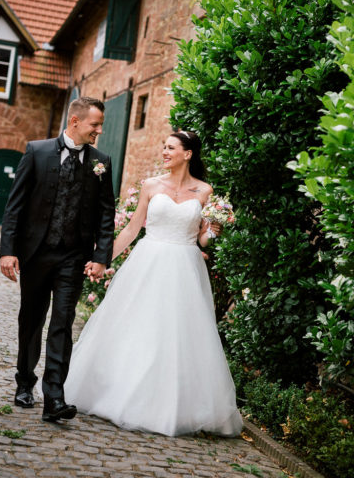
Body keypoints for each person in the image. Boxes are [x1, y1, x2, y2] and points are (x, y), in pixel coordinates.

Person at [63, 130, 244, 437]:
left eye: (170, 147)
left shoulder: (204, 191)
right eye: (163, 147)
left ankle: (169, 406)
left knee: (177, 336)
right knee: (137, 328)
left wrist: (212, 231)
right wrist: (103, 260)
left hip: (185, 268)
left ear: (187, 154)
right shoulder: (150, 185)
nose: (164, 151)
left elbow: (201, 237)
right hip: (148, 263)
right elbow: (132, 230)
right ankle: (120, 393)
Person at [0, 96, 115, 422]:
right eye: (95, 124)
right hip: (36, 254)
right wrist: (8, 250)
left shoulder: (100, 161)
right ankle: (25, 382)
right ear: (76, 121)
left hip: (73, 258)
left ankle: (54, 399)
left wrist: (101, 257)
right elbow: (15, 206)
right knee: (31, 320)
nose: (99, 131)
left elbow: (107, 214)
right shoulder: (36, 152)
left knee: (62, 324)